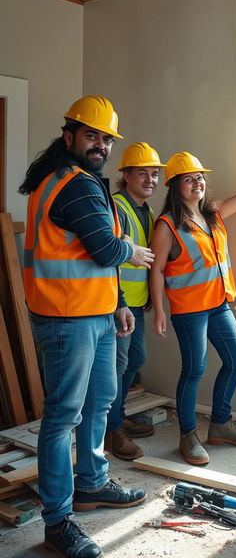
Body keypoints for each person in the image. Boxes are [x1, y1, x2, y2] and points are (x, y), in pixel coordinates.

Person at [20, 96, 154, 558]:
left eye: (106, 139)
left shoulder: (79, 180)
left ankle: (92, 482)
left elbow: (86, 253)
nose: (100, 145)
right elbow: (103, 249)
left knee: (100, 403)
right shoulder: (72, 184)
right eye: (91, 135)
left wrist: (117, 302)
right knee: (61, 420)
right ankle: (58, 523)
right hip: (66, 320)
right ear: (69, 136)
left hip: (95, 314)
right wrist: (132, 251)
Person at [150, 137, 236, 466]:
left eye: (200, 177)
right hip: (189, 310)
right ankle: (187, 435)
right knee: (194, 370)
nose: (197, 183)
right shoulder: (167, 224)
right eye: (188, 179)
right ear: (175, 187)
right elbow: (155, 270)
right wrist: (159, 310)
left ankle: (220, 425)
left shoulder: (212, 214)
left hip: (218, 304)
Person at [104, 142, 165, 461]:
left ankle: (118, 414)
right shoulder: (116, 207)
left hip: (136, 304)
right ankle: (112, 429)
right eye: (142, 173)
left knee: (134, 361)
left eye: (154, 174)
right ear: (125, 175)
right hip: (119, 304)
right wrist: (120, 302)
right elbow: (110, 259)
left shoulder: (147, 210)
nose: (150, 180)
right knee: (118, 366)